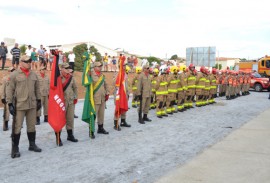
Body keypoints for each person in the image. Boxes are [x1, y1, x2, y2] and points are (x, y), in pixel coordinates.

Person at [6, 55, 42, 158]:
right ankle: (15, 148)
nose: (29, 63)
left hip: (31, 104)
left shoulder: (33, 74)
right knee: (17, 127)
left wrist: (39, 100)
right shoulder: (14, 75)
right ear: (21, 62)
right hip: (20, 105)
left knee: (31, 125)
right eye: (26, 62)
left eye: (30, 61)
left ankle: (32, 144)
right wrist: (9, 104)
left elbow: (37, 89)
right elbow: (9, 90)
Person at [57, 62, 78, 146]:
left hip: (70, 101)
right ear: (61, 69)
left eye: (68, 68)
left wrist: (75, 97)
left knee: (70, 119)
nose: (67, 70)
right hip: (61, 102)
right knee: (60, 120)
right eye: (65, 68)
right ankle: (58, 137)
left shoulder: (71, 78)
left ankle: (70, 135)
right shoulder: (58, 78)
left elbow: (75, 88)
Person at [90, 62, 110, 137]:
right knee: (93, 115)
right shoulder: (91, 74)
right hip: (95, 98)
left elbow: (106, 84)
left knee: (101, 114)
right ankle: (91, 130)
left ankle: (100, 128)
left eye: (101, 66)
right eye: (98, 66)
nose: (100, 68)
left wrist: (107, 93)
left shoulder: (102, 75)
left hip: (102, 97)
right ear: (94, 67)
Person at [113, 62, 131, 131]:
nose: (125, 66)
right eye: (123, 65)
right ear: (120, 66)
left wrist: (128, 93)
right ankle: (116, 123)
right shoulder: (118, 74)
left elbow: (126, 85)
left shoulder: (125, 74)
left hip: (124, 94)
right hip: (119, 94)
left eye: (125, 65)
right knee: (118, 108)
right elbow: (114, 83)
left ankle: (123, 121)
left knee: (124, 107)